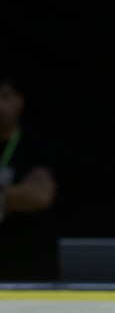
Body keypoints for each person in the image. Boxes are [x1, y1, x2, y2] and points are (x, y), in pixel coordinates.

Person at [0, 73, 58, 282]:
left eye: (5, 97)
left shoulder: (35, 145)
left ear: (19, 101)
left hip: (25, 257)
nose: (0, 105)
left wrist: (3, 197)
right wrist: (14, 196)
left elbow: (40, 196)